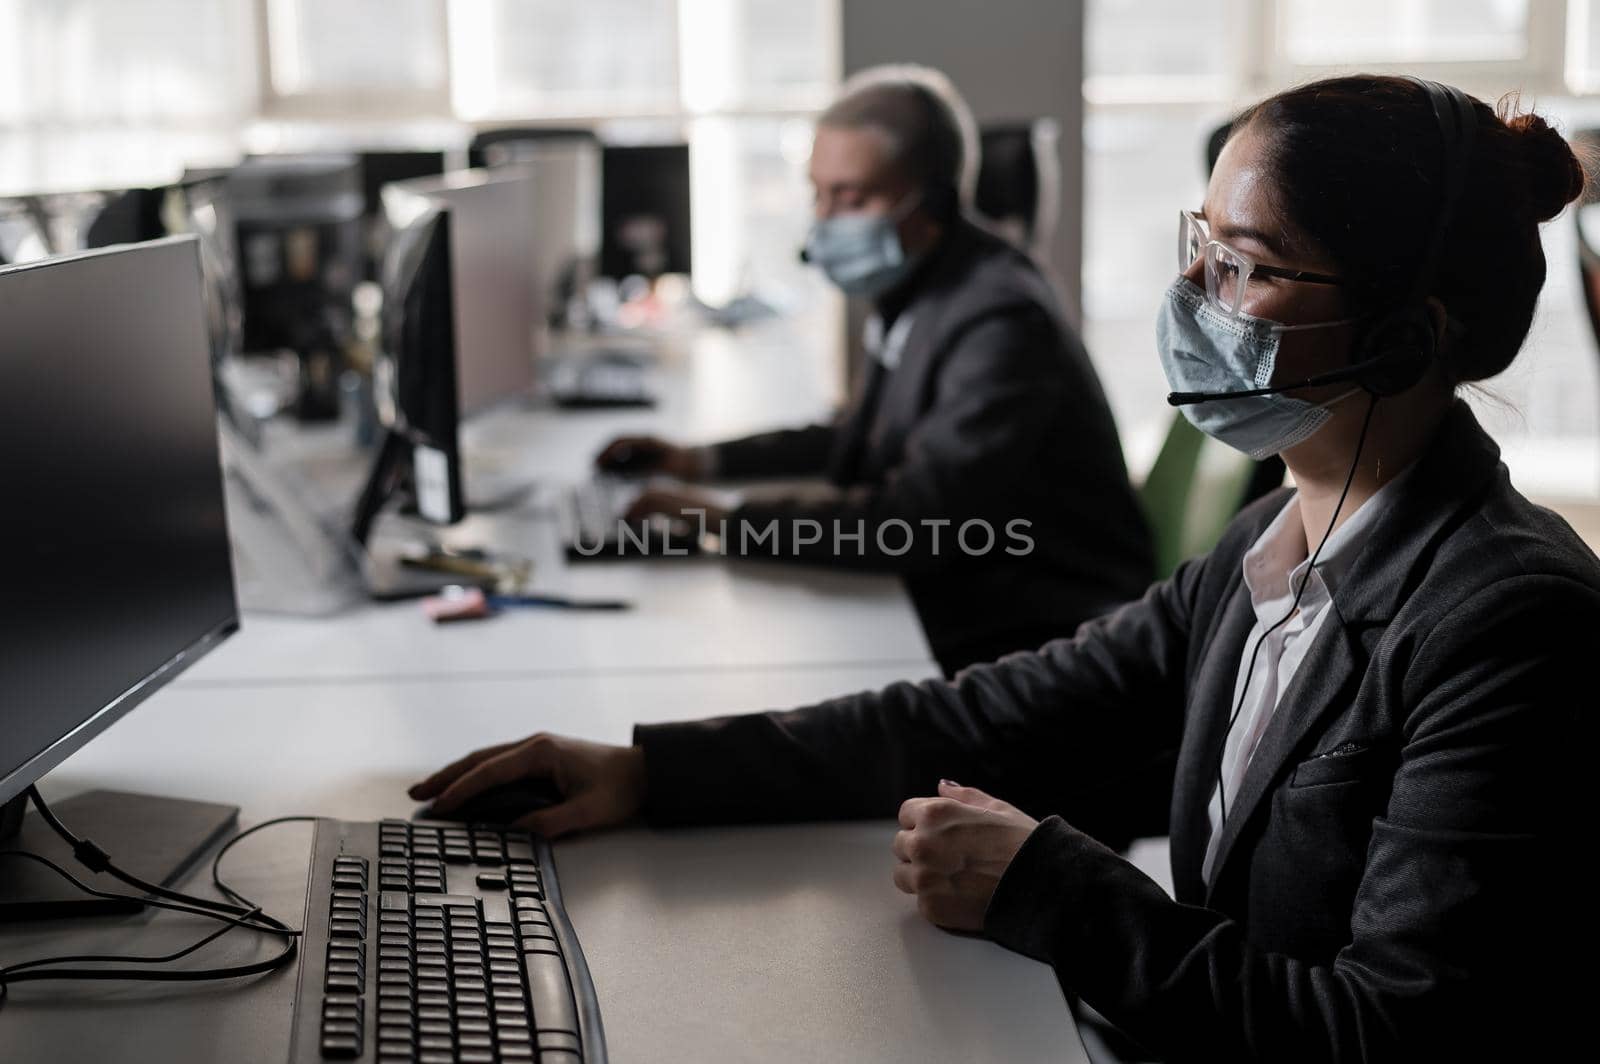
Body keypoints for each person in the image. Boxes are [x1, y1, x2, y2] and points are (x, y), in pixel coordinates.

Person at [414, 75, 1600, 1060]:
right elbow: (993, 710)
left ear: (1409, 331)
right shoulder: (1272, 541)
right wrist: (648, 770)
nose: (1191, 294)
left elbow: (1386, 1033)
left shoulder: (1510, 626)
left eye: (1244, 264)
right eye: (1200, 245)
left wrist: (1057, 888)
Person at [595, 65, 1153, 675]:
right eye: (818, 193)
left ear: (934, 202)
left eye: (851, 198)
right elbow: (860, 439)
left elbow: (915, 523)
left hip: (1046, 636)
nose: (822, 222)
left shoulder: (1000, 320)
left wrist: (724, 523)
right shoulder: (923, 286)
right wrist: (698, 462)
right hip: (968, 592)